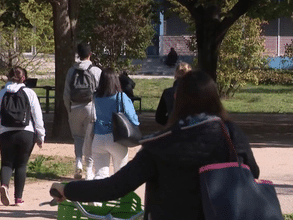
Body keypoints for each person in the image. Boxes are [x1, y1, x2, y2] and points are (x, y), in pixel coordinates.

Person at [50, 70, 260, 220]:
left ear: (176, 100)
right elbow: (253, 172)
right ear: (215, 98)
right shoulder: (230, 133)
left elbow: (114, 187)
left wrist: (68, 189)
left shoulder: (159, 145)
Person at [0, 66, 45, 206]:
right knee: (22, 164)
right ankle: (18, 198)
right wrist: (41, 135)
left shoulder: (2, 93)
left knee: (7, 163)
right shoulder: (30, 93)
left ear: (8, 77)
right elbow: (37, 116)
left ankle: (4, 185)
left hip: (6, 132)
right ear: (24, 78)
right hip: (26, 133)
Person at [63, 42, 102, 180]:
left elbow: (66, 94)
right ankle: (89, 170)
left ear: (78, 55)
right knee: (89, 139)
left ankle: (78, 162)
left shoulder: (71, 71)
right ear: (90, 54)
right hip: (90, 107)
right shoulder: (95, 70)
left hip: (74, 107)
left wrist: (69, 110)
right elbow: (101, 92)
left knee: (78, 138)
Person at [92, 68, 140, 179]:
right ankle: (118, 196)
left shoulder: (96, 97)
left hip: (98, 137)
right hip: (116, 138)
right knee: (121, 174)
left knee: (100, 174)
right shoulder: (121, 97)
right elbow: (133, 118)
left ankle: (99, 195)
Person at [155, 61, 192, 125]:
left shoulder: (167, 92)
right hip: (192, 128)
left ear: (175, 75)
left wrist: (170, 122)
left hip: (173, 128)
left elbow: (159, 117)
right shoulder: (196, 92)